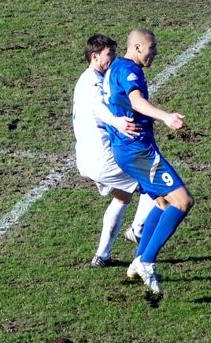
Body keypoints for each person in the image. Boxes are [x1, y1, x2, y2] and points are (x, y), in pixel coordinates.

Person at [104, 28, 194, 296]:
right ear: (138, 47)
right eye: (152, 47)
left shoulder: (117, 67)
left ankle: (137, 259)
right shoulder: (131, 71)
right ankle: (146, 261)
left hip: (130, 149)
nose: (155, 52)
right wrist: (165, 116)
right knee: (183, 201)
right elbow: (137, 100)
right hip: (137, 151)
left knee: (163, 202)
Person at [72, 34, 157, 267]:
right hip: (102, 157)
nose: (113, 58)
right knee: (152, 181)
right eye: (109, 54)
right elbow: (99, 107)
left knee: (123, 196)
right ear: (94, 56)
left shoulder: (92, 78)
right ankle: (137, 230)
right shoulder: (92, 82)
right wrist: (117, 121)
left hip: (88, 157)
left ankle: (102, 255)